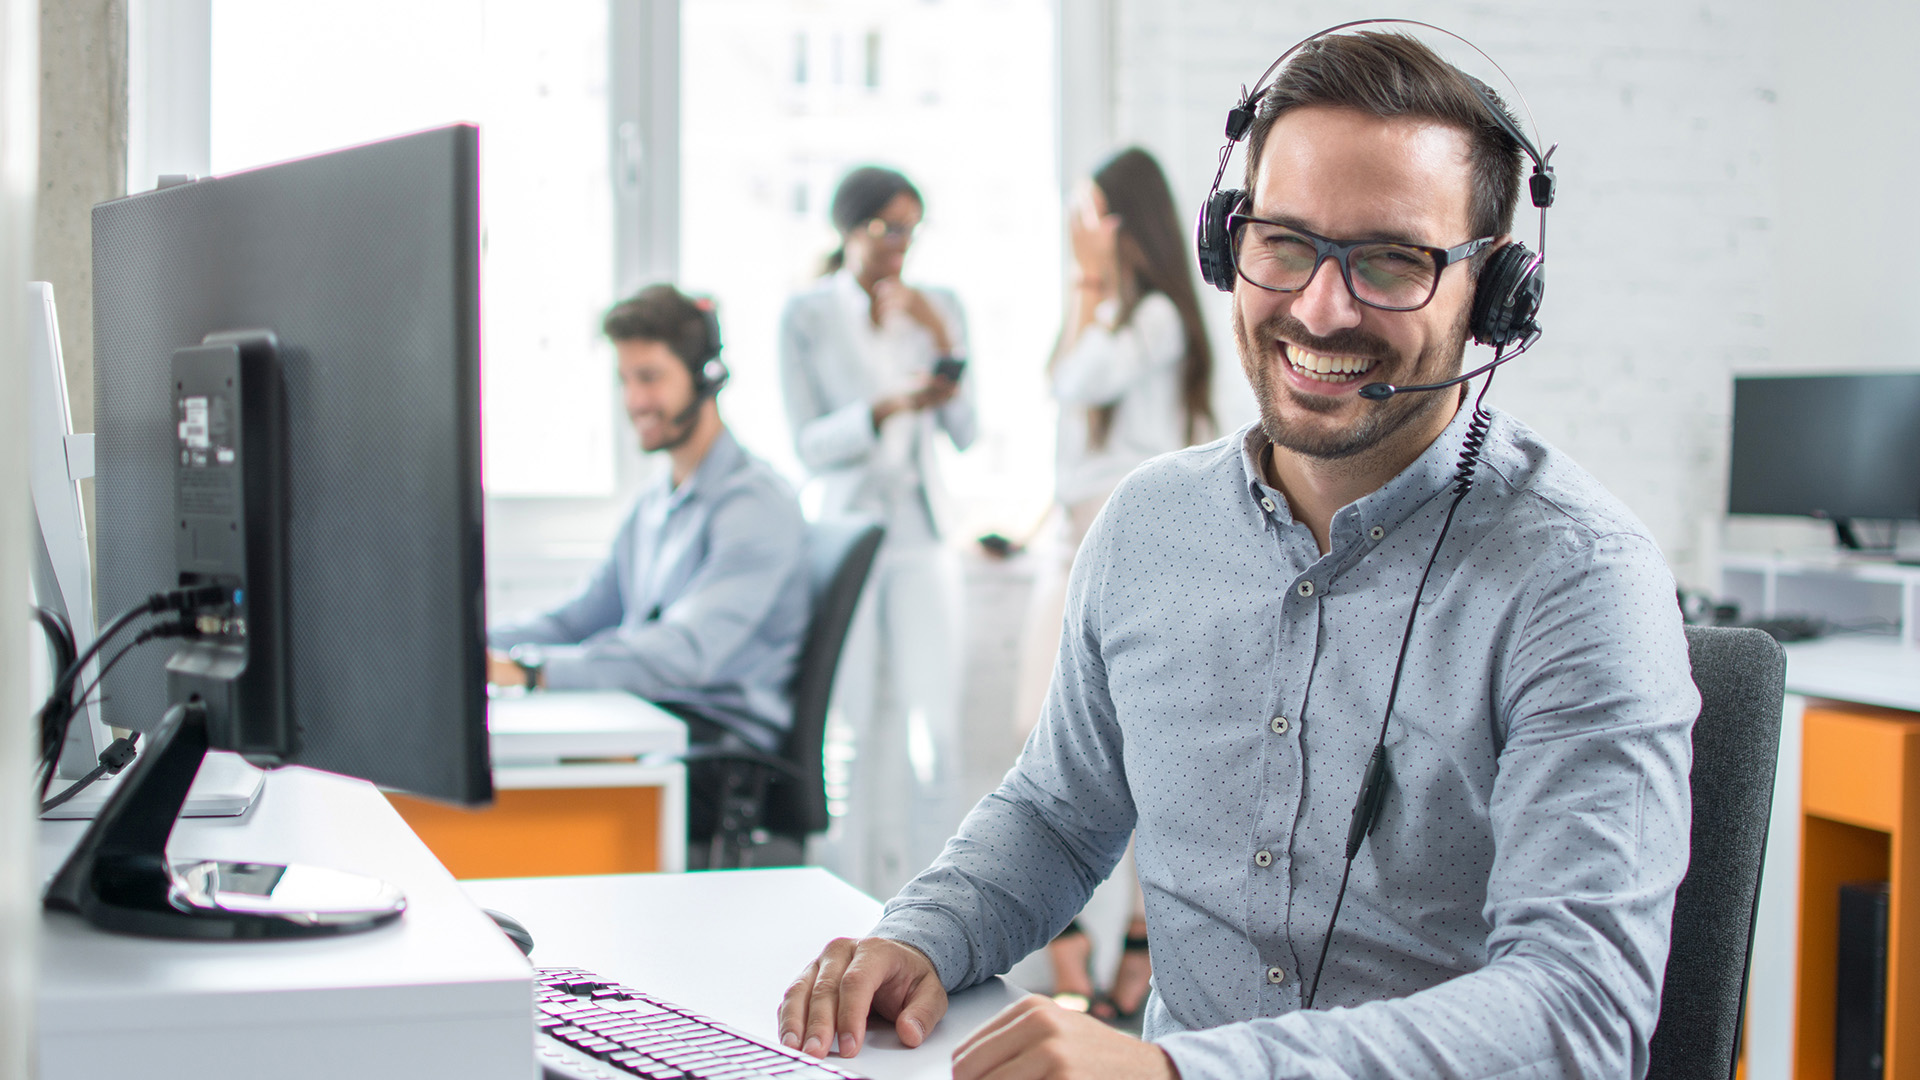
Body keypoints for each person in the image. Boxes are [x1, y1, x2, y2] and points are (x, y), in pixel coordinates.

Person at [777, 30, 1696, 1080]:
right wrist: (922, 935)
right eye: (1285, 243)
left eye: (1391, 261)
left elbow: (1582, 1012)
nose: (1319, 307)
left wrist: (1180, 1073)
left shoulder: (1579, 580)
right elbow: (1055, 813)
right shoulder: (1149, 528)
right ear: (1228, 244)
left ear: (1494, 296)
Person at [488, 284, 810, 848]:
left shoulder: (755, 506)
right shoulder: (655, 501)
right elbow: (578, 619)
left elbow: (685, 652)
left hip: (718, 758)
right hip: (654, 726)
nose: (634, 400)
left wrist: (533, 671)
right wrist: (469, 646)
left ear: (706, 376)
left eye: (651, 377)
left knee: (520, 795)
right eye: (625, 379)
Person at [1016, 146, 1215, 1024]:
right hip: (1066, 542)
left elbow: (1078, 379)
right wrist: (1084, 291)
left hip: (1127, 549)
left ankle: (1132, 942)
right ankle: (1069, 949)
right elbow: (1060, 392)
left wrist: (1090, 290)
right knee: (1043, 743)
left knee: (1137, 751)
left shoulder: (1162, 319)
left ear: (1127, 223)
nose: (1081, 234)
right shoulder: (1109, 314)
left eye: (1093, 215)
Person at [779, 166, 977, 900]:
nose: (899, 246)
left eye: (910, 231)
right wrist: (886, 407)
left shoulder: (940, 306)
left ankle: (945, 914)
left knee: (936, 739)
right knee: (847, 734)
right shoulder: (806, 315)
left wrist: (937, 336)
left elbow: (966, 428)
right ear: (848, 229)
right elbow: (808, 443)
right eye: (886, 229)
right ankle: (838, 907)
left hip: (921, 535)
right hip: (846, 534)